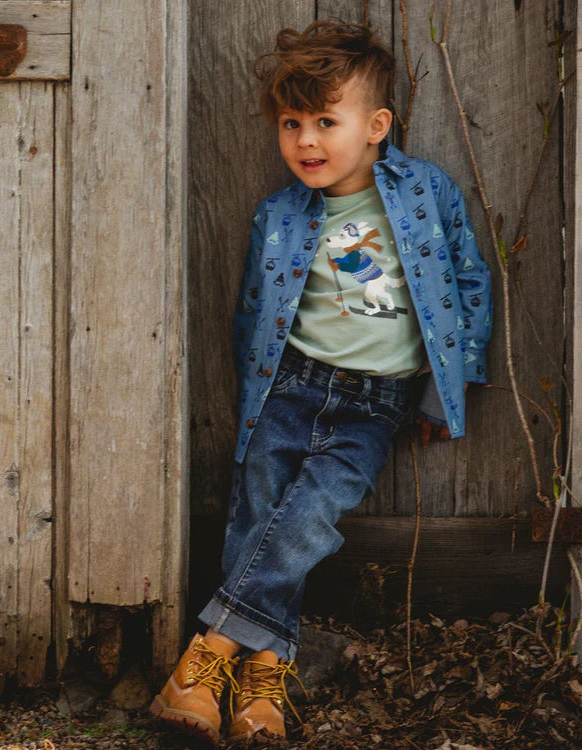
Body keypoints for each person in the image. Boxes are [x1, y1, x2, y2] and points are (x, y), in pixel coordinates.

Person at [150, 19, 492, 746]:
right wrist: (252, 400)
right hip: (289, 389)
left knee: (306, 522)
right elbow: (252, 314)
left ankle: (206, 654)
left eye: (325, 122)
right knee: (261, 521)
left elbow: (467, 283)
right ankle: (259, 687)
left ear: (376, 126)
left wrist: (445, 390)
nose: (305, 140)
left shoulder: (426, 192)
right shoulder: (278, 215)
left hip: (374, 404)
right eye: (291, 123)